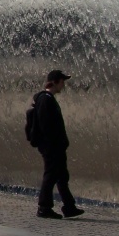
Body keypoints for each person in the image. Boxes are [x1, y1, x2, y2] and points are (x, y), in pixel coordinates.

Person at [33, 70, 84, 219]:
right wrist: (54, 143)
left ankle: (69, 206)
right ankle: (44, 207)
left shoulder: (48, 99)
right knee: (50, 175)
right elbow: (46, 126)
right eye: (62, 82)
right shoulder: (45, 99)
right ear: (55, 82)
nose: (63, 85)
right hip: (51, 147)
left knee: (62, 176)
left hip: (56, 146)